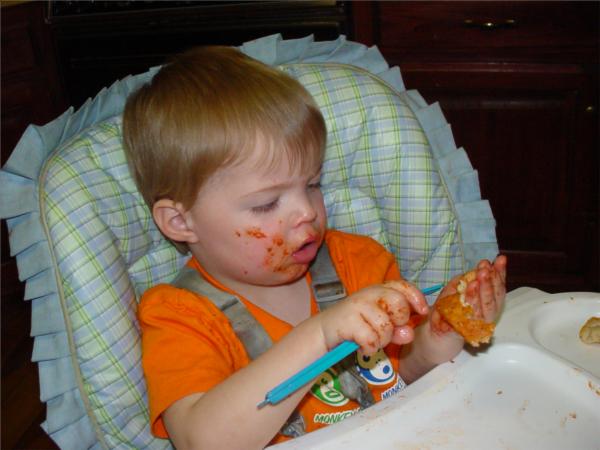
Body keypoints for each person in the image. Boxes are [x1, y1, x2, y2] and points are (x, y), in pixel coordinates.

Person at [122, 46, 507, 449]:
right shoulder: (180, 315)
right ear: (180, 222)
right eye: (267, 203)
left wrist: (443, 333)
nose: (307, 211)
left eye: (312, 184)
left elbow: (400, 375)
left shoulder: (360, 263)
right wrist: (320, 335)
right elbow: (203, 441)